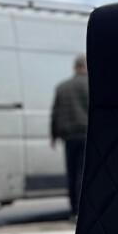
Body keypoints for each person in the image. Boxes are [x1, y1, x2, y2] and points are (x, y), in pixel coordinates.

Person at [50, 54, 89, 217]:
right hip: (87, 135)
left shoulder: (62, 87)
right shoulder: (90, 85)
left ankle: (74, 210)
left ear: (74, 67)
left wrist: (53, 136)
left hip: (69, 137)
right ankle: (82, 210)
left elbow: (55, 113)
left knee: (72, 174)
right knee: (83, 173)